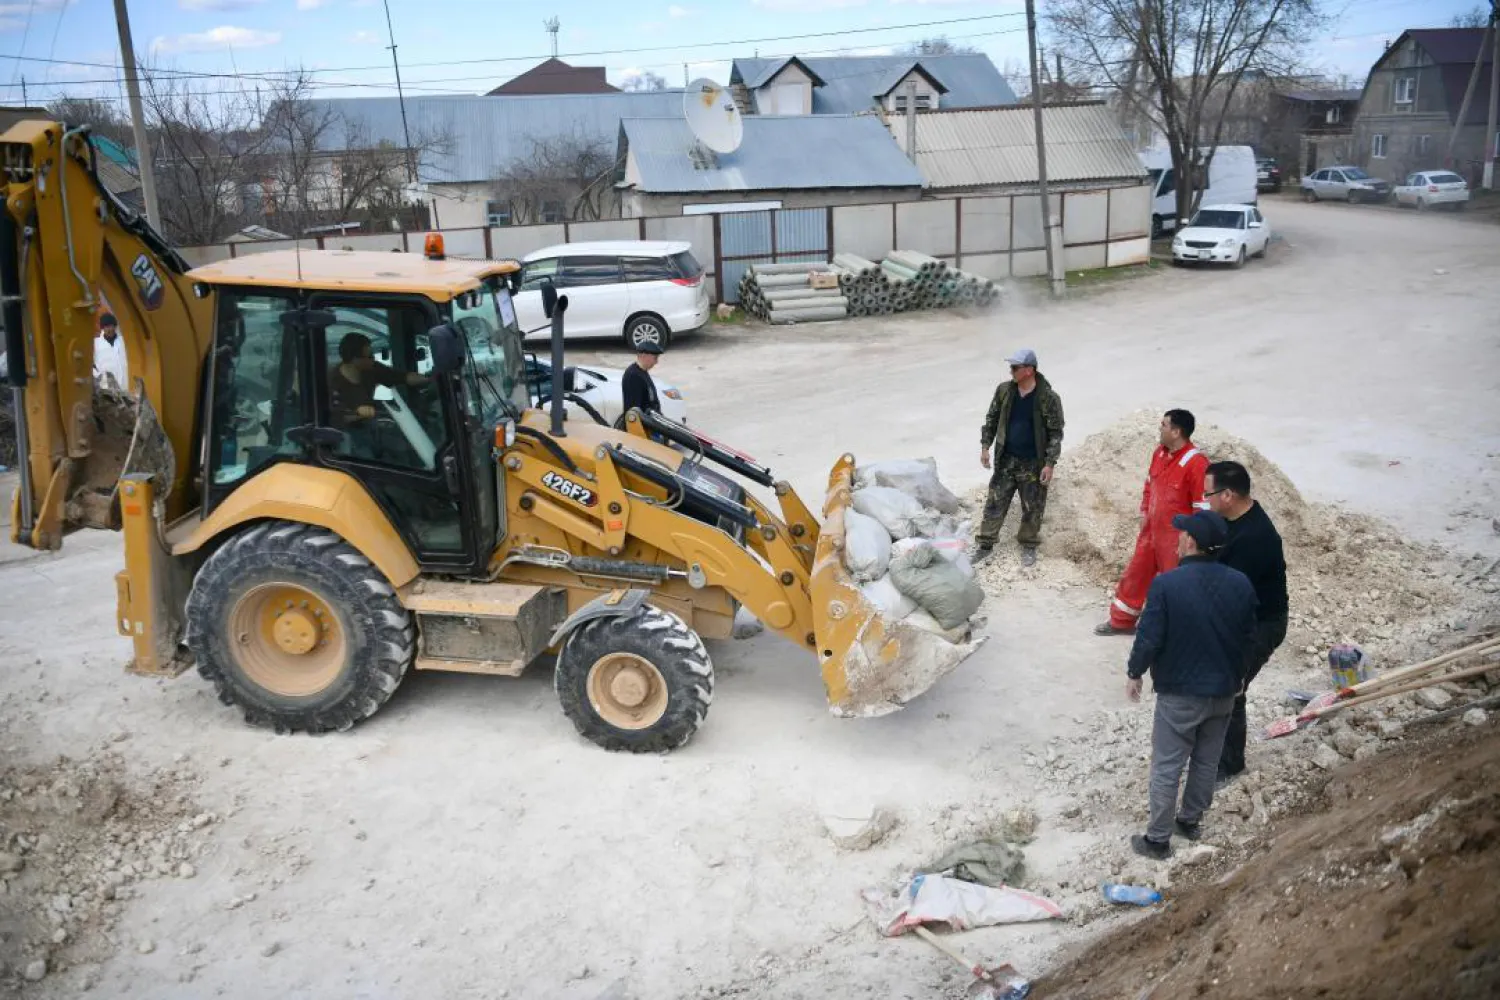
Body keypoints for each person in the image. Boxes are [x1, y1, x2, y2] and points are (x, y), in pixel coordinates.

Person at [1124, 509, 1257, 860]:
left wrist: (1135, 671)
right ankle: (1190, 821)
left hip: (1180, 693)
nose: (1178, 539)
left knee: (1168, 764)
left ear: (1192, 543)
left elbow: (1149, 637)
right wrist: (1239, 677)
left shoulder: (1167, 584)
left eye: (1182, 535)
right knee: (1206, 761)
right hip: (1224, 693)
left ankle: (1157, 840)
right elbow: (1248, 638)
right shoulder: (1241, 583)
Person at [1203, 460, 1288, 783]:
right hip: (1242, 617)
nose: (1205, 500)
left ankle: (1229, 766)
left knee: (1230, 690)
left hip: (1260, 625)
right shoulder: (1234, 520)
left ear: (1227, 495)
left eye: (1208, 494)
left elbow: (1233, 600)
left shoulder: (1256, 538)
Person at [1095, 409, 1210, 636]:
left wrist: (1193, 540)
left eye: (1164, 425)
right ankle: (1122, 621)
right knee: (1136, 575)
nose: (1160, 428)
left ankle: (1176, 634)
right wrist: (1144, 511)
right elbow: (1150, 485)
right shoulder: (1160, 454)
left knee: (1175, 586)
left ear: (1176, 432)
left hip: (1177, 539)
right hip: (1151, 532)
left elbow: (1202, 507)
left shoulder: (1196, 464)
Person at [976, 348, 1064, 567]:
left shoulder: (1048, 398)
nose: (1011, 371)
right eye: (1011, 367)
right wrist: (985, 446)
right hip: (1007, 460)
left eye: (1015, 367)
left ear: (1029, 370)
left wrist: (1049, 463)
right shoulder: (1004, 391)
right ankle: (985, 544)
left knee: (1032, 506)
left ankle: (1028, 544)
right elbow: (992, 419)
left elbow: (1056, 433)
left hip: (1033, 463)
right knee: (995, 502)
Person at [327, 332, 429, 432]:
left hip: (372, 428)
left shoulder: (372, 369)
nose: (374, 359)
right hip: (348, 436)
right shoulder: (333, 382)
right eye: (370, 356)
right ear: (355, 359)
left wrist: (429, 379)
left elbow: (401, 377)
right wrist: (358, 413)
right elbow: (335, 418)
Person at [620, 342, 663, 418]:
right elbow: (633, 411)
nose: (656, 362)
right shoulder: (633, 376)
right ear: (643, 356)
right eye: (655, 358)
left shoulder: (642, 372)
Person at [93, 312, 128, 391]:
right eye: (107, 326)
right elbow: (89, 364)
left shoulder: (123, 341)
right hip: (106, 387)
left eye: (112, 326)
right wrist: (98, 376)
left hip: (125, 384)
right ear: (103, 328)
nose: (110, 329)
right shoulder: (96, 343)